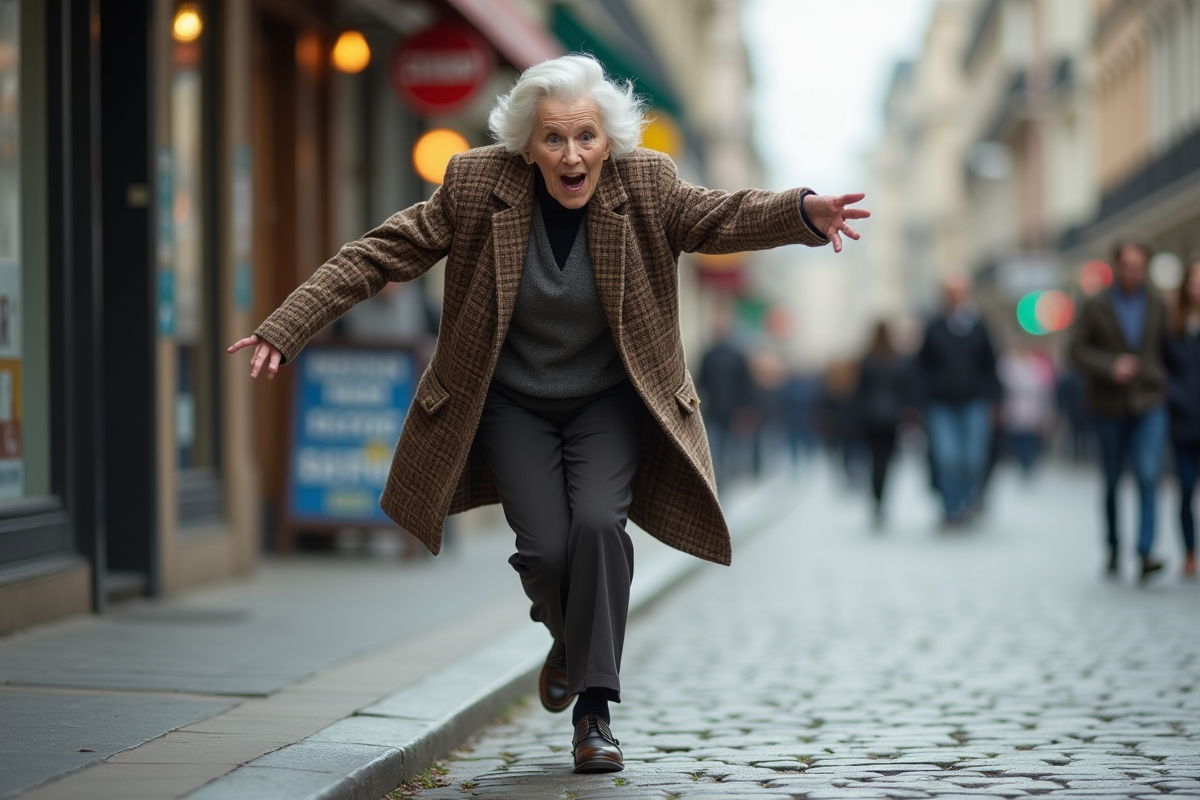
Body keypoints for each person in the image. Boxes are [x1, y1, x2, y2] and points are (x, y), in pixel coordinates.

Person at [227, 55, 868, 773]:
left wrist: (802, 213)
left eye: (587, 138)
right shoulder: (477, 186)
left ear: (609, 141)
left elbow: (720, 216)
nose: (572, 156)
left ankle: (593, 713)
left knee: (599, 525)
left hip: (609, 401)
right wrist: (288, 325)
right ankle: (570, 641)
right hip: (511, 402)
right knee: (547, 550)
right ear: (527, 144)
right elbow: (384, 251)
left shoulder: (646, 183)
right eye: (555, 139)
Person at [1070, 237, 1168, 581]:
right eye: (1127, 267)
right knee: (1112, 480)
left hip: (1149, 400)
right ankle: (1113, 546)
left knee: (1147, 474)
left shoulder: (1158, 304)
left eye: (1139, 268)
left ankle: (1145, 551)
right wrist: (1110, 365)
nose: (1133, 274)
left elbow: (1168, 351)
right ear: (1115, 267)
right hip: (1108, 404)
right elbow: (1076, 351)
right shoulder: (1095, 305)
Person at [916, 274, 1000, 527]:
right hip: (941, 404)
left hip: (974, 402)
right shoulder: (934, 326)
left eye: (960, 292)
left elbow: (991, 364)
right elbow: (921, 367)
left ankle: (968, 500)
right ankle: (951, 508)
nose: (956, 297)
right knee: (947, 458)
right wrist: (920, 401)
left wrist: (995, 400)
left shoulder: (979, 325)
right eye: (951, 292)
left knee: (973, 458)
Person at [853, 321, 916, 528]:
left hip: (871, 418)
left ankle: (877, 499)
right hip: (891, 419)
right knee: (886, 463)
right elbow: (907, 390)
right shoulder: (898, 360)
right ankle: (882, 499)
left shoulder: (867, 360)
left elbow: (859, 392)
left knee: (875, 462)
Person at [1164, 254, 1200, 578]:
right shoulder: (1173, 325)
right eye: (1194, 280)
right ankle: (1190, 551)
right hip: (1183, 420)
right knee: (1186, 488)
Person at [697, 310, 756, 488]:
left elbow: (745, 386)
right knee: (715, 448)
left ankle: (729, 477)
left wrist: (745, 410)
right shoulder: (708, 355)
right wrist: (695, 406)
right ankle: (719, 479)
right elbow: (699, 384)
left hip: (733, 412)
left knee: (733, 448)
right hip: (714, 411)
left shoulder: (737, 356)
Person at [997, 340, 1057, 477]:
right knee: (1018, 436)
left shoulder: (1038, 364)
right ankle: (1022, 461)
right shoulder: (1009, 361)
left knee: (1031, 437)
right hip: (1015, 405)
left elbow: (1045, 389)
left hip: (1033, 406)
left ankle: (1028, 463)